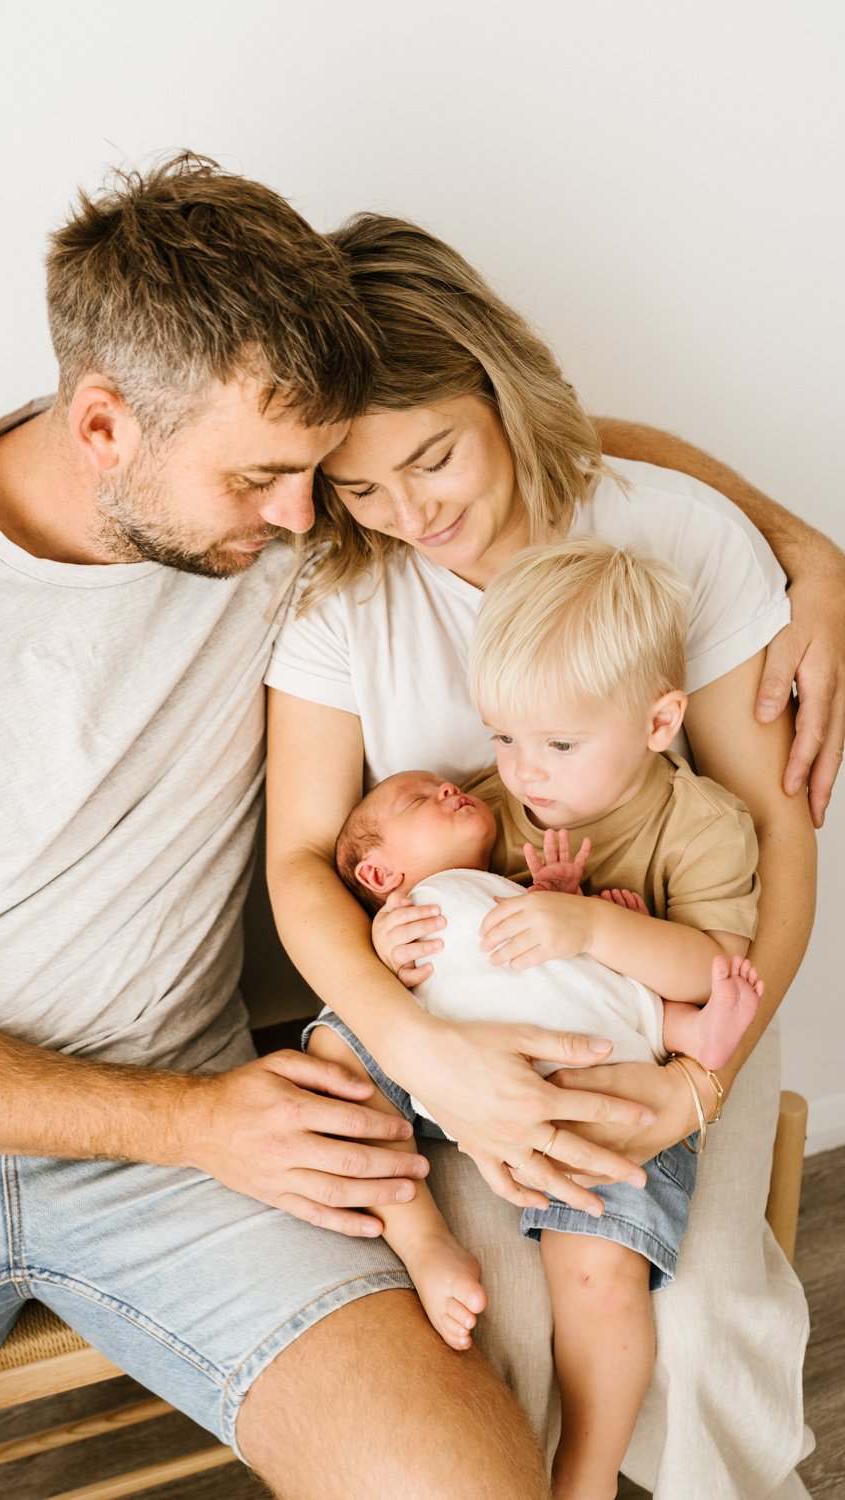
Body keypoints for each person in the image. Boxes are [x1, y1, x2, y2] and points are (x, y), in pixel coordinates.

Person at [0, 153, 595, 1500]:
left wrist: (804, 551)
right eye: (259, 478)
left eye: (315, 475)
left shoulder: (269, 523)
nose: (306, 517)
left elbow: (516, 448)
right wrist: (188, 1126)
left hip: (204, 1133)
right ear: (102, 429)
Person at [264, 213, 841, 1498]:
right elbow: (299, 865)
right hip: (451, 1019)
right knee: (494, 1327)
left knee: (690, 1327)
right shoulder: (340, 594)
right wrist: (418, 1052)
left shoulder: (673, 534)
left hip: (675, 1002)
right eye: (359, 486)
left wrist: (698, 1084)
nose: (409, 513)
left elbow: (775, 848)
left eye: (433, 458)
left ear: (497, 389)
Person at [307, 537, 766, 1499]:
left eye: (557, 744)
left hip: (606, 1071)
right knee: (329, 1047)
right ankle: (418, 1233)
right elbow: (417, 906)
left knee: (595, 1271)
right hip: (467, 1060)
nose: (522, 772)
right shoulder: (494, 806)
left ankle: (586, 1476)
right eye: (503, 737)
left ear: (659, 720)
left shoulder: (702, 826)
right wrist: (390, 944)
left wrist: (588, 924)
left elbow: (713, 970)